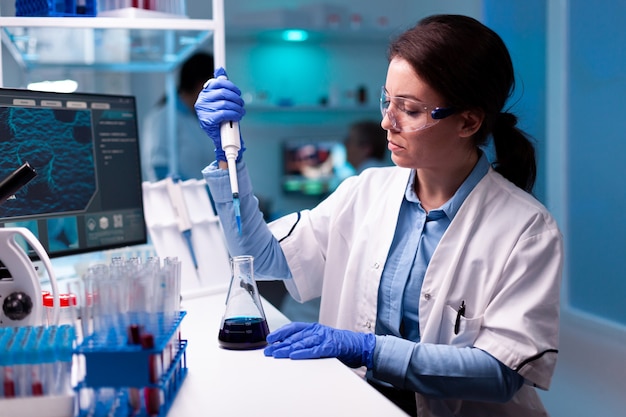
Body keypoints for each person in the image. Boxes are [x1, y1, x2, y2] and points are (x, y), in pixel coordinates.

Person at [195, 14, 563, 417]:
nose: (387, 121)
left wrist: (368, 349)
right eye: (387, 100)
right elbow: (256, 255)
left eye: (409, 109)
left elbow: (502, 373)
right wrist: (229, 158)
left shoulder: (527, 229)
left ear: (469, 121)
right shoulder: (365, 190)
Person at [141, 52, 215, 181]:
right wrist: (191, 194)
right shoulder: (164, 116)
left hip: (201, 199)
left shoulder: (198, 117)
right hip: (178, 199)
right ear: (201, 84)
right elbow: (158, 167)